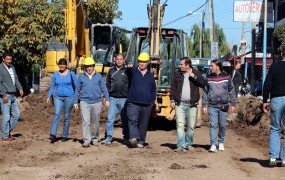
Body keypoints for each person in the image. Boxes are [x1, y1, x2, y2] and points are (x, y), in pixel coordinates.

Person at [170, 57, 206, 152]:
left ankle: (188, 144)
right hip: (180, 104)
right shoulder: (178, 74)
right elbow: (173, 87)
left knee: (190, 126)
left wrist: (194, 77)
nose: (180, 66)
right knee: (180, 125)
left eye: (182, 64)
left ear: (187, 65)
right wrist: (172, 100)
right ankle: (180, 145)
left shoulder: (196, 73)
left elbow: (203, 84)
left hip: (192, 104)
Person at [74, 57, 110, 148]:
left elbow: (104, 88)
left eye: (91, 66)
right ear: (85, 67)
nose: (89, 68)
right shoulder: (81, 77)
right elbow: (77, 90)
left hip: (97, 102)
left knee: (95, 122)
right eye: (87, 66)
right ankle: (86, 140)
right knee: (86, 121)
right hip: (84, 102)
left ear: (93, 66)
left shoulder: (98, 76)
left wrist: (107, 99)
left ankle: (94, 138)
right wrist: (75, 102)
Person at [202, 59, 236, 152]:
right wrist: (204, 105)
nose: (210, 67)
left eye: (212, 66)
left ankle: (221, 142)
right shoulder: (208, 78)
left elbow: (231, 90)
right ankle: (213, 144)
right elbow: (205, 92)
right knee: (213, 125)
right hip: (212, 106)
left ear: (218, 67)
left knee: (222, 125)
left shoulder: (226, 77)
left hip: (224, 106)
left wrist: (233, 103)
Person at [126, 52, 156, 148]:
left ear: (147, 63)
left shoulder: (150, 76)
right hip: (133, 102)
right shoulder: (133, 72)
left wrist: (151, 102)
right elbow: (128, 73)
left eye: (144, 62)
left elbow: (153, 89)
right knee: (132, 121)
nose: (142, 63)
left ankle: (141, 141)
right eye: (140, 61)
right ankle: (134, 138)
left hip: (146, 104)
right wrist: (129, 68)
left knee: (143, 123)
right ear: (137, 62)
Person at [46, 58, 77, 143]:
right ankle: (53, 134)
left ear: (66, 65)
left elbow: (77, 86)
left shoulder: (71, 74)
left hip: (69, 97)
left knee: (66, 116)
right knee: (56, 114)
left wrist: (76, 99)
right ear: (59, 65)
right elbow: (53, 86)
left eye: (63, 64)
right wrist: (49, 96)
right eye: (60, 64)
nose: (62, 65)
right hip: (58, 97)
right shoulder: (56, 74)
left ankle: (64, 135)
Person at [263, 49, 285, 167]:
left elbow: (267, 84)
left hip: (276, 99)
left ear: (282, 54)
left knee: (275, 128)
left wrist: (265, 101)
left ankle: (273, 157)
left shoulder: (274, 67)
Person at [102, 53, 129, 145]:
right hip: (112, 98)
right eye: (117, 59)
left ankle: (126, 138)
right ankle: (108, 138)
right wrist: (106, 97)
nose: (119, 61)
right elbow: (107, 84)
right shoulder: (111, 71)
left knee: (125, 119)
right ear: (115, 59)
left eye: (121, 59)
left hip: (124, 99)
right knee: (110, 119)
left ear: (124, 60)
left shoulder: (127, 71)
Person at [0, 52, 24, 141]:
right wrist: (3, 95)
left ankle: (6, 132)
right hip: (5, 96)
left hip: (13, 95)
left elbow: (16, 79)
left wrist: (20, 88)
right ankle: (5, 136)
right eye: (7, 59)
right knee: (6, 116)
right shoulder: (0, 68)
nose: (9, 61)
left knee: (16, 115)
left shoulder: (12, 67)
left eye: (10, 59)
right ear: (3, 59)